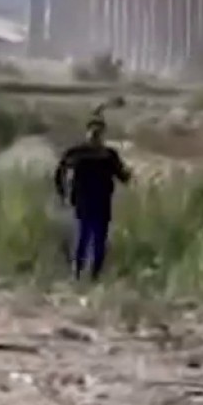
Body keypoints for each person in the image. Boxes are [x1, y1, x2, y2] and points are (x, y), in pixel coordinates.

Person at [54, 117, 133, 282]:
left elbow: (122, 176)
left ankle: (94, 275)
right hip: (83, 201)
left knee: (98, 240)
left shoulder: (108, 155)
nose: (95, 135)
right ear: (87, 132)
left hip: (102, 202)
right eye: (93, 131)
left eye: (98, 132)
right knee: (83, 237)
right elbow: (60, 172)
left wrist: (128, 174)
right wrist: (62, 193)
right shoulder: (76, 153)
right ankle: (77, 272)